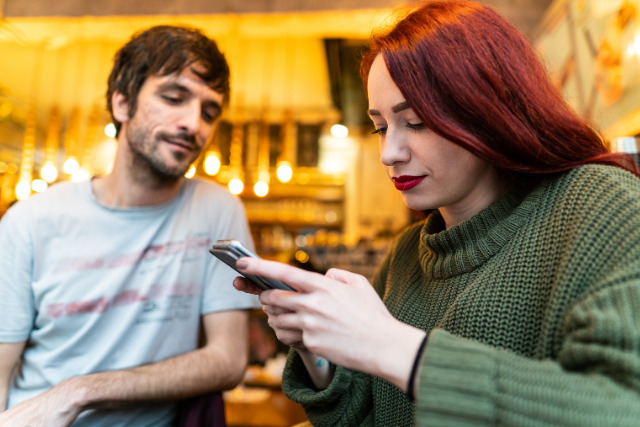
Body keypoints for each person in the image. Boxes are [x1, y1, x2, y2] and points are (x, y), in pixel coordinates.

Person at [233, 1, 640, 425]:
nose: (389, 153)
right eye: (380, 127)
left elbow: (622, 407)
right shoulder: (408, 255)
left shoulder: (600, 204)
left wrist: (390, 345)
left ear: (490, 110)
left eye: (416, 122)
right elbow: (364, 417)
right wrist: (318, 348)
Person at [0, 25, 259, 426]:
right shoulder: (29, 221)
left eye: (209, 112)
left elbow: (228, 360)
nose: (194, 124)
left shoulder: (216, 210)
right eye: (174, 98)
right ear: (122, 104)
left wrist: (80, 391)